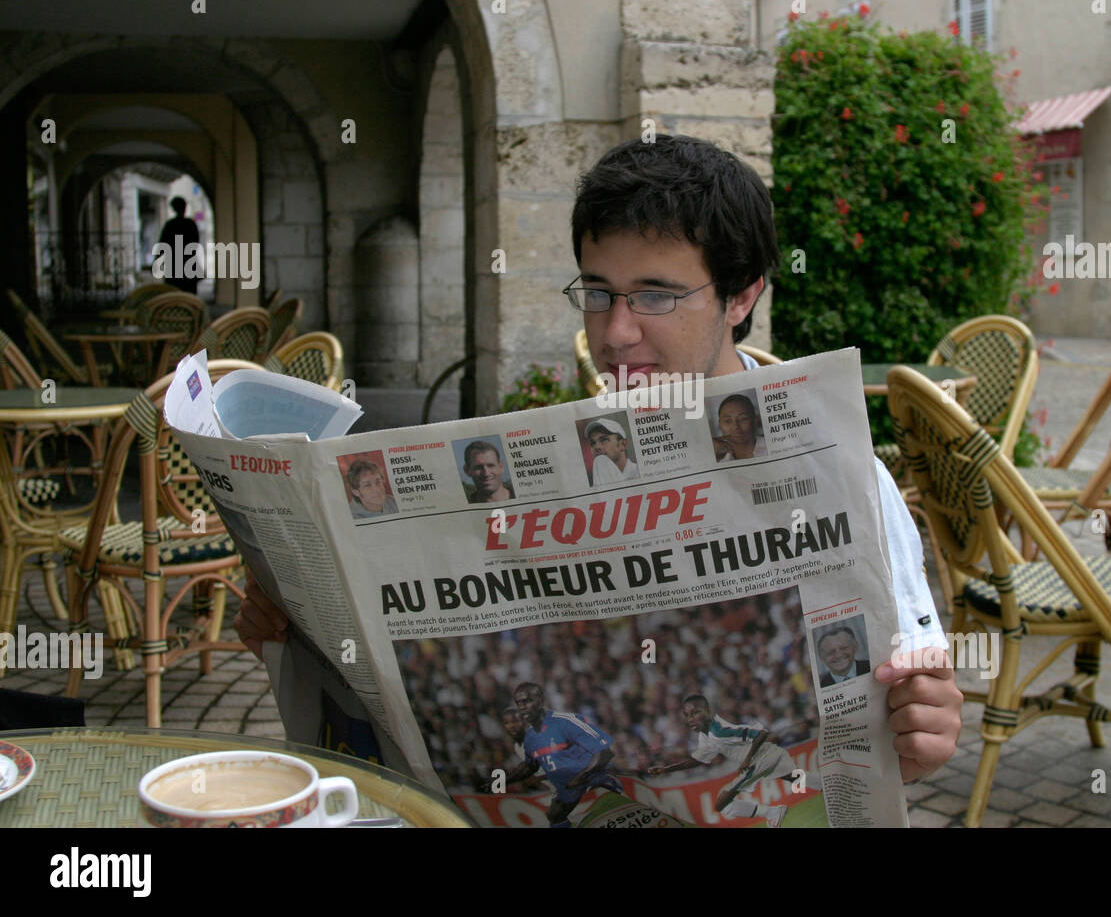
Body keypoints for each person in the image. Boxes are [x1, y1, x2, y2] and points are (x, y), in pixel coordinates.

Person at [236, 133, 961, 788]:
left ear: (743, 296)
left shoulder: (844, 479)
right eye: (599, 292)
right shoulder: (538, 468)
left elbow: (905, 708)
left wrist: (923, 733)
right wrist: (303, 644)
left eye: (656, 295)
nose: (615, 333)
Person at [647, 694, 821, 828]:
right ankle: (829, 785)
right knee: (796, 777)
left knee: (721, 803)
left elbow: (761, 733)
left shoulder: (720, 730)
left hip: (760, 758)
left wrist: (747, 760)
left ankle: (773, 812)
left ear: (707, 711)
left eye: (695, 712)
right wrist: (665, 769)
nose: (690, 718)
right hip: (764, 757)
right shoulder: (706, 736)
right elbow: (695, 761)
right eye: (687, 715)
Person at [501, 682, 623, 827]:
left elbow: (605, 753)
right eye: (518, 703)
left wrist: (579, 777)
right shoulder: (531, 738)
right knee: (555, 815)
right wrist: (504, 781)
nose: (522, 707)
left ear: (540, 700)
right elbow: (529, 767)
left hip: (594, 779)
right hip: (570, 789)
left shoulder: (566, 721)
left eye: (526, 701)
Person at [155, 197, 201, 295]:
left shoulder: (170, 225)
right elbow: (196, 244)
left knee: (174, 294)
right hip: (189, 264)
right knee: (190, 295)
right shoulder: (191, 224)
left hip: (173, 266)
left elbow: (162, 246)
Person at [585, 417, 639, 485]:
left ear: (623, 444)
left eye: (604, 440)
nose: (597, 447)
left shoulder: (640, 472)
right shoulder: (593, 479)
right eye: (593, 443)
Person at [712, 393, 765, 461]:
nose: (736, 427)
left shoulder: (772, 445)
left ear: (755, 421)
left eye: (743, 419)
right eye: (728, 421)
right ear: (719, 425)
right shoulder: (719, 460)